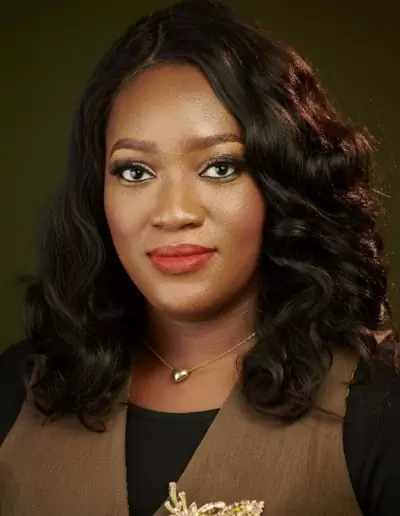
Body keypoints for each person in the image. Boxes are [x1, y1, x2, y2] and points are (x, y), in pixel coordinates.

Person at [0, 0, 399, 514]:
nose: (174, 213)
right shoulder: (20, 386)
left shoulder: (379, 398)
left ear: (282, 183)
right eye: (135, 172)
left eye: (219, 168)